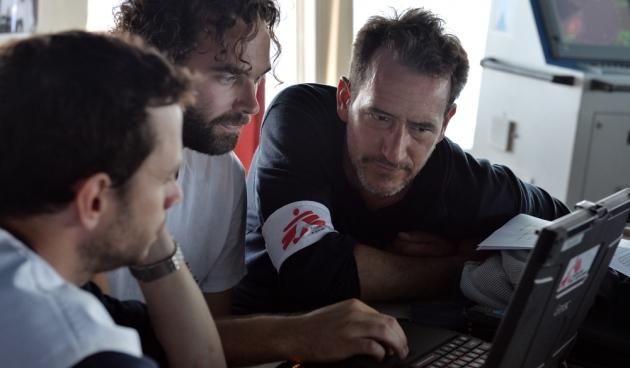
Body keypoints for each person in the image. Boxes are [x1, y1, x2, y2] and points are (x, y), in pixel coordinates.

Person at [107, 0, 408, 365]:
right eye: (229, 75)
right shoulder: (82, 177)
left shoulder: (224, 174)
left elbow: (207, 344)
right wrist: (297, 334)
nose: (252, 104)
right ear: (155, 65)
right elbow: (100, 340)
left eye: (259, 77)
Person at [234, 8, 570, 314]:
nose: (394, 151)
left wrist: (469, 245)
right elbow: (312, 273)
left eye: (422, 127)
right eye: (379, 117)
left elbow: (562, 222)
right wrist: (459, 266)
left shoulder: (450, 170)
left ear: (445, 124)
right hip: (265, 339)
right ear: (345, 98)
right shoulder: (301, 117)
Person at [0, 31, 225, 367]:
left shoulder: (23, 272)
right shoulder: (89, 353)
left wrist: (140, 208)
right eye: (165, 178)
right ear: (92, 201)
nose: (175, 195)